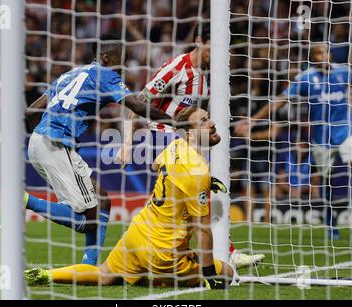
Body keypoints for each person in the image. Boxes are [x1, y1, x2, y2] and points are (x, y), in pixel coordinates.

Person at [25, 107, 238, 289]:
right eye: (203, 121)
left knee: (104, 274)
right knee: (227, 272)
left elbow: (156, 165)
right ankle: (162, 279)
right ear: (190, 135)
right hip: (164, 253)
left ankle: (49, 275)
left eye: (208, 117)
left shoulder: (176, 146)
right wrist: (210, 275)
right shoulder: (197, 171)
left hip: (137, 233)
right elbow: (202, 229)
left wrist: (204, 182)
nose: (211, 123)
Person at [116, 22, 265, 268]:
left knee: (193, 200)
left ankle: (218, 252)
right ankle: (224, 254)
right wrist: (128, 142)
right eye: (213, 48)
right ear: (199, 41)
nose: (218, 55)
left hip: (184, 142)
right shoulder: (177, 67)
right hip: (163, 136)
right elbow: (139, 101)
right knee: (199, 193)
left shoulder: (207, 76)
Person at [24, 35, 172, 266]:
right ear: (105, 57)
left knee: (102, 200)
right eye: (118, 60)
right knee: (88, 219)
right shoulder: (105, 74)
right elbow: (136, 105)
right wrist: (176, 121)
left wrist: (41, 138)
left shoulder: (70, 74)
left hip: (39, 141)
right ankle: (23, 200)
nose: (121, 67)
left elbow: (32, 110)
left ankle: (89, 266)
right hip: (56, 143)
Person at [234, 43, 352, 239]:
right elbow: (280, 99)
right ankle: (330, 221)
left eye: (326, 52)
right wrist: (253, 120)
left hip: (347, 130)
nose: (323, 56)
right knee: (327, 180)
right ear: (313, 58)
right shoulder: (305, 78)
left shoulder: (343, 72)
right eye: (318, 53)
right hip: (322, 138)